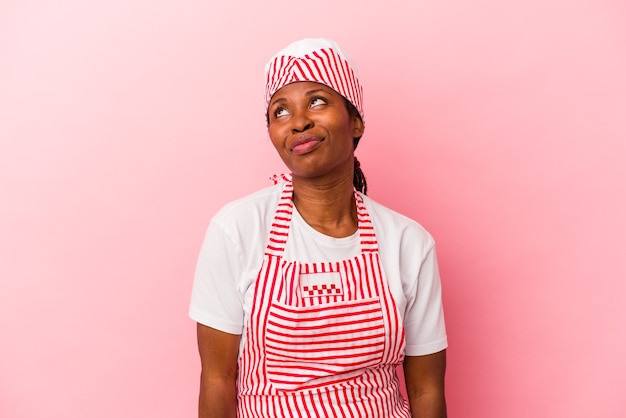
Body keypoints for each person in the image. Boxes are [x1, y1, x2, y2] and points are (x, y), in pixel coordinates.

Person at [189, 38, 448, 418]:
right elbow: (217, 378)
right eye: (280, 111)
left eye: (317, 101)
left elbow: (426, 389)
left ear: (355, 120)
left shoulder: (408, 242)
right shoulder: (237, 230)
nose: (298, 122)